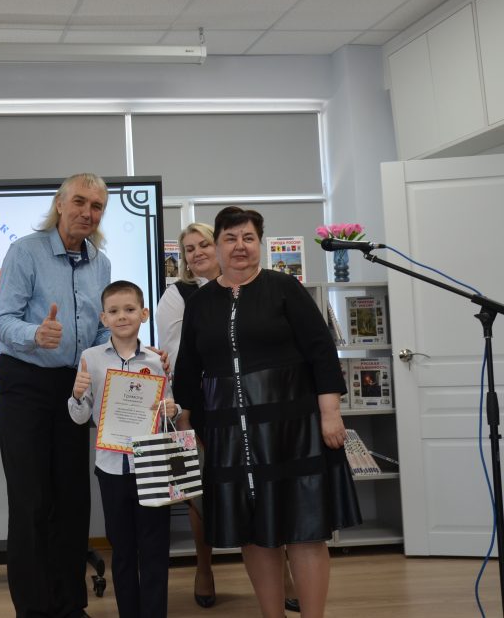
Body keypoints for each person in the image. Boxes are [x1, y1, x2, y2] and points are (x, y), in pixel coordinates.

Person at [172, 206, 361, 618]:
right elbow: (187, 370)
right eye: (230, 238)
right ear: (217, 246)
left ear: (260, 243)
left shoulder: (284, 288)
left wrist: (330, 412)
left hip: (296, 430)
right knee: (254, 534)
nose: (239, 246)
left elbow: (321, 352)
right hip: (231, 436)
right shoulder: (200, 303)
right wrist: (194, 423)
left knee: (305, 532)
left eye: (248, 238)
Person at [0, 172, 111, 618]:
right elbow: (2, 321)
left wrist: (128, 350)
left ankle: (70, 605)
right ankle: (34, 609)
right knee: (31, 500)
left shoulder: (101, 263)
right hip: (26, 382)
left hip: (73, 385)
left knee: (73, 498)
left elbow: (100, 330)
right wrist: (35, 334)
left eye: (96, 206)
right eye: (79, 202)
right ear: (60, 204)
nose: (87, 212)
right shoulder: (26, 251)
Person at [70, 280, 177, 618]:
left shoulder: (158, 360)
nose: (122, 316)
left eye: (129, 309)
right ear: (103, 318)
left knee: (155, 550)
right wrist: (76, 395)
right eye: (114, 311)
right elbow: (79, 417)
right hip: (111, 468)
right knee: (123, 550)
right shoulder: (90, 359)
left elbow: (167, 407)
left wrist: (171, 408)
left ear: (144, 314)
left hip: (151, 466)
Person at [155, 222, 221, 608]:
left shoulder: (244, 285)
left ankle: (281, 573)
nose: (196, 253)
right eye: (189, 249)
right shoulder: (177, 294)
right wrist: (184, 415)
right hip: (198, 405)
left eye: (203, 244)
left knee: (259, 488)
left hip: (243, 402)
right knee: (199, 490)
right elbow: (178, 359)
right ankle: (204, 568)